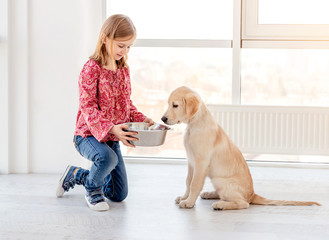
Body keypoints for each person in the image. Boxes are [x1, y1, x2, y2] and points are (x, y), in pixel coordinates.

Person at [56, 14, 154, 211]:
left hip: (111, 138)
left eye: (129, 46)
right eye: (121, 45)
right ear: (105, 39)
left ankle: (76, 175)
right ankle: (92, 191)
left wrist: (144, 120)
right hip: (87, 136)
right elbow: (88, 107)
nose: (125, 51)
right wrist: (111, 128)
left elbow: (126, 105)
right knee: (108, 158)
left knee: (118, 194)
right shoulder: (91, 69)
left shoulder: (123, 69)